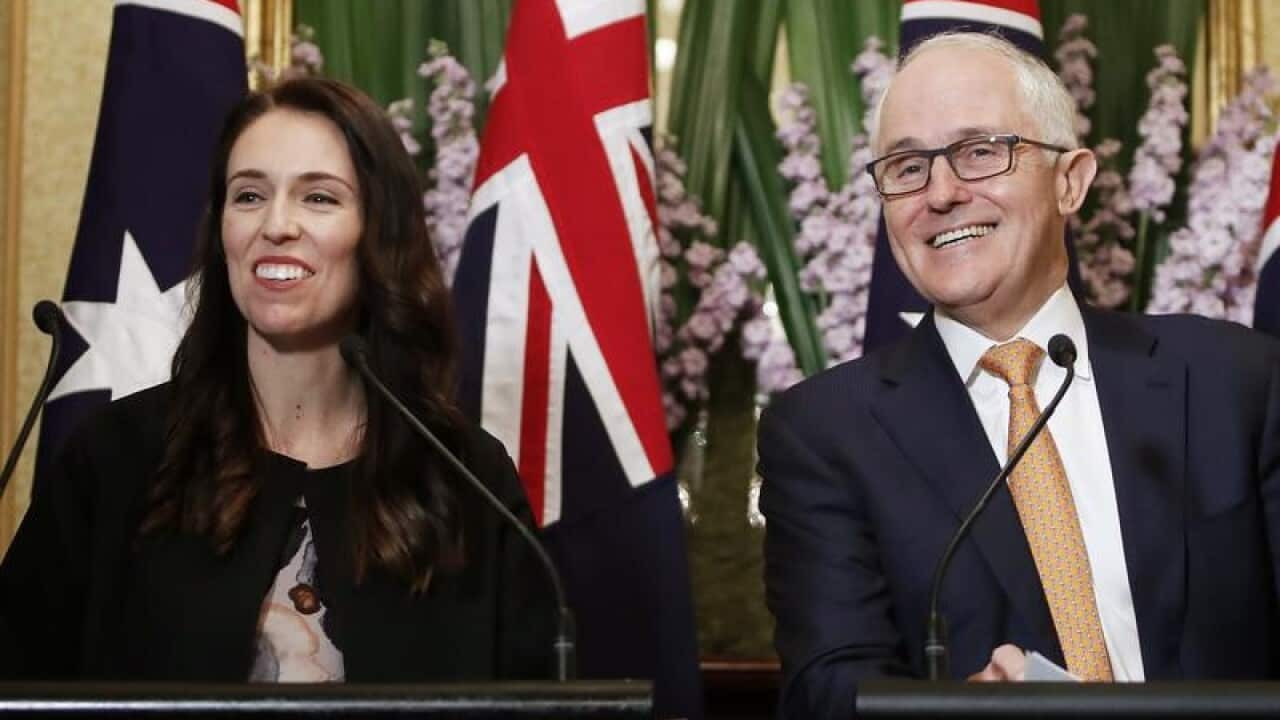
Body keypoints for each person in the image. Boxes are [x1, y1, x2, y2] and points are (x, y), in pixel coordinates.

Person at [758, 31, 1280, 719]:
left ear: (1070, 181)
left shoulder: (1235, 382)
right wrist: (963, 712)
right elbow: (829, 689)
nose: (941, 193)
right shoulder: (826, 433)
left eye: (980, 152)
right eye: (908, 167)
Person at [0, 76, 555, 681]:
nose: (276, 224)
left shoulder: (466, 479)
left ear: (379, 233)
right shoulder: (116, 457)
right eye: (249, 195)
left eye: (318, 197)